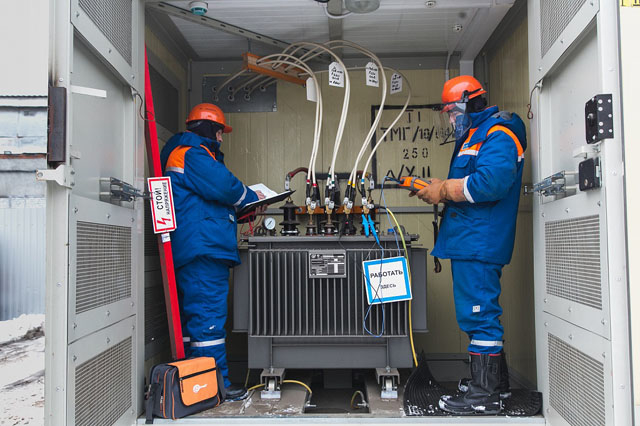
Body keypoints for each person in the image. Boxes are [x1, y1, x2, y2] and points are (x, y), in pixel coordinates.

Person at [412, 76, 527, 415]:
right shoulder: (475, 135)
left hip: (480, 241)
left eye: (453, 112)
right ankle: (494, 385)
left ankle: (483, 396)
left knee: (479, 315)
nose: (451, 120)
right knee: (476, 313)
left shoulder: (498, 133)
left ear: (470, 103)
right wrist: (440, 187)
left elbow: (491, 183)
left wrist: (444, 190)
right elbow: (469, 180)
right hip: (469, 240)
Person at [160, 103, 264, 401]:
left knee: (196, 322)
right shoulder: (192, 154)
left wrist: (241, 211)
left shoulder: (188, 154)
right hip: (203, 251)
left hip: (198, 248)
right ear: (207, 129)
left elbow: (208, 202)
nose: (220, 138)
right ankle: (216, 386)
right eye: (219, 132)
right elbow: (225, 187)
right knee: (208, 321)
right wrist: (251, 197)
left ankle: (196, 384)